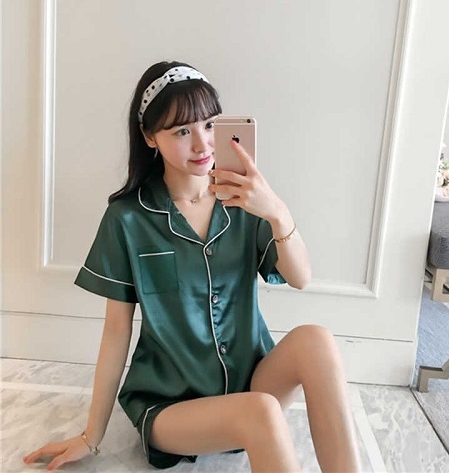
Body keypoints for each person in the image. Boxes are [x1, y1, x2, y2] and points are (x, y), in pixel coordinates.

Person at [23, 61, 360, 472]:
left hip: (251, 387)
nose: (202, 145)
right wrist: (90, 437)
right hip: (171, 406)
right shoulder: (128, 219)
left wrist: (277, 212)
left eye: (209, 125)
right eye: (182, 131)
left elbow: (300, 278)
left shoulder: (245, 201)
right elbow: (116, 332)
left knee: (316, 341)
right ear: (150, 137)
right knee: (260, 411)